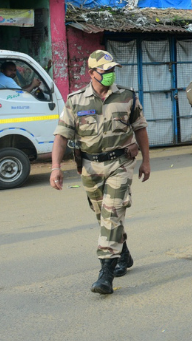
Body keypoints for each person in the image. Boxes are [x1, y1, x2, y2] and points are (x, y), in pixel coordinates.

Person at [51, 49, 150, 295]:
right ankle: (123, 253)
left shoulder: (126, 97)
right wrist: (55, 168)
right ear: (91, 73)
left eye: (112, 70)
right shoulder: (75, 101)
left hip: (120, 163)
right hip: (89, 166)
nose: (109, 75)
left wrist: (146, 161)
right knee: (102, 215)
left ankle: (106, 272)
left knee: (112, 212)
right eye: (104, 71)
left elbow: (140, 129)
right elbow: (62, 136)